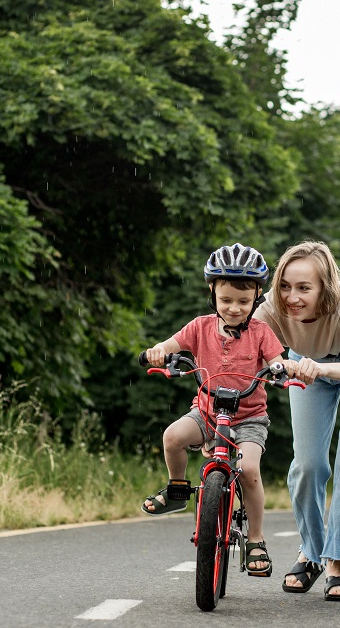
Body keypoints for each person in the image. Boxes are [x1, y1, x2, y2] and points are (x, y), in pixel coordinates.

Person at [253, 240, 340, 602]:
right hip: (307, 363)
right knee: (309, 464)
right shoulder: (271, 307)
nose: (292, 297)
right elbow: (238, 349)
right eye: (285, 286)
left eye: (304, 288)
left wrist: (323, 368)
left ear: (325, 288)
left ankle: (337, 566)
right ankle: (312, 553)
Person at [141, 243, 292, 577]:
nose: (234, 308)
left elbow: (276, 360)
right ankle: (177, 488)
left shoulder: (261, 332)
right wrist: (158, 351)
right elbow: (171, 345)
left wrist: (281, 369)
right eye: (226, 300)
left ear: (257, 295)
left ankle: (255, 539)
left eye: (243, 301)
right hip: (207, 413)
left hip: (250, 418)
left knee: (250, 470)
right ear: (212, 292)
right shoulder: (200, 327)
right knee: (172, 436)